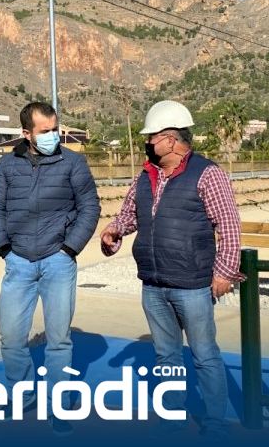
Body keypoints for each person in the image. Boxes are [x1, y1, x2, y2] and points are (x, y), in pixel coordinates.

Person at [99, 100, 243, 437]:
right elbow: (128, 215)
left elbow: (229, 225)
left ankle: (215, 421)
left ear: (170, 139)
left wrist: (224, 272)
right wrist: (113, 232)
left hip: (192, 285)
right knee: (166, 356)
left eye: (151, 137)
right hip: (153, 284)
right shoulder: (145, 177)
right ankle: (173, 414)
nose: (147, 143)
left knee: (204, 354)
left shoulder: (208, 174)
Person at [0, 101, 100, 435]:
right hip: (18, 262)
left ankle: (58, 404)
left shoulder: (73, 162)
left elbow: (90, 207)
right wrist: (4, 248)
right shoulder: (7, 165)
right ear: (27, 133)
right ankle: (20, 394)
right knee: (11, 336)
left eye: (55, 129)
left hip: (58, 262)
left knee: (59, 339)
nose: (53, 136)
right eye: (45, 131)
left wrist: (69, 248)